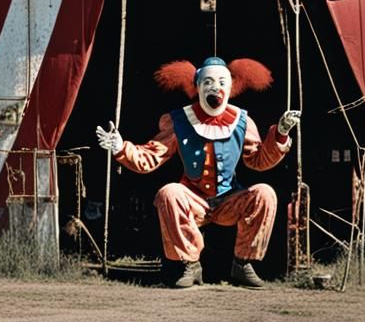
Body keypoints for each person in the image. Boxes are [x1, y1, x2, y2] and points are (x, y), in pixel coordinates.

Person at [96, 56, 299, 289]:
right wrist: (121, 147)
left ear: (232, 87)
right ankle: (190, 265)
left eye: (222, 82)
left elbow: (258, 161)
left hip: (229, 199)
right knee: (169, 193)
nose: (216, 88)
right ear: (198, 86)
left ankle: (243, 264)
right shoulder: (180, 120)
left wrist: (281, 134)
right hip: (193, 199)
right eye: (209, 82)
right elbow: (152, 156)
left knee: (265, 193)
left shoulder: (242, 121)